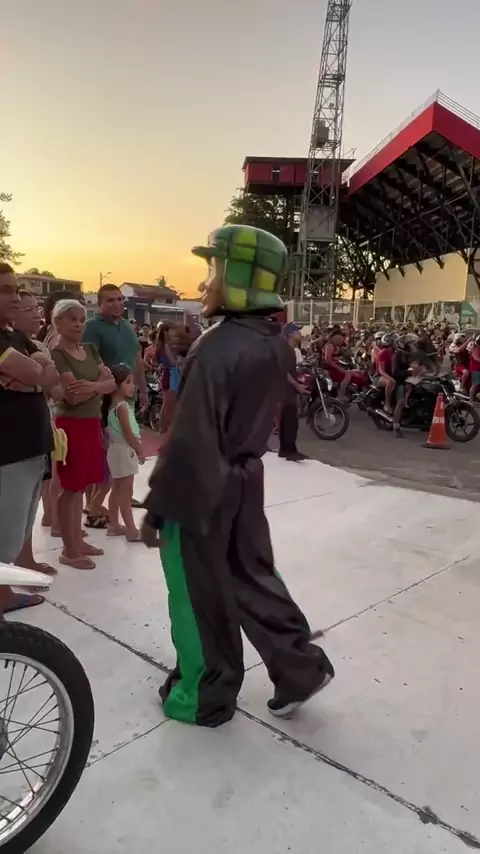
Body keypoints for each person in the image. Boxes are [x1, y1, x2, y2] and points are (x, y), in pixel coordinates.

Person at [141, 224, 334, 727]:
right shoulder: (275, 343)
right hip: (246, 479)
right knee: (253, 576)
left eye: (215, 268)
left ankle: (202, 694)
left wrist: (160, 506)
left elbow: (192, 437)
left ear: (240, 276)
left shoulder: (217, 346)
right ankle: (300, 668)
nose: (206, 281)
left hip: (202, 487)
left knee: (198, 595)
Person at [0, 264, 56, 612]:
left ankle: (4, 597)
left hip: (31, 449)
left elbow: (48, 373)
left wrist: (32, 380)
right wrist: (36, 375)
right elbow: (37, 371)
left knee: (17, 531)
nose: (15, 297)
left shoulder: (15, 337)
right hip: (9, 451)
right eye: (5, 289)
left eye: (15, 288)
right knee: (4, 537)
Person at [51, 300, 115, 570]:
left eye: (81, 319)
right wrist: (98, 385)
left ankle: (77, 540)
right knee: (71, 487)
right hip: (71, 425)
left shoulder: (90, 349)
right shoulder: (57, 354)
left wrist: (91, 386)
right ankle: (69, 549)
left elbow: (112, 382)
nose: (78, 324)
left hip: (91, 423)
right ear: (58, 322)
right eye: (72, 319)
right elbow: (72, 396)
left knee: (83, 486)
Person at [82, 284, 148, 510]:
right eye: (110, 300)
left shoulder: (127, 326)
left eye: (120, 299)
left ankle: (124, 494)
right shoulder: (92, 328)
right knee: (105, 450)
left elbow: (137, 360)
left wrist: (143, 389)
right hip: (105, 400)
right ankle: (93, 504)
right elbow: (88, 362)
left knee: (126, 443)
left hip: (127, 396)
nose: (117, 304)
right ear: (99, 303)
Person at [12, 289, 60, 573]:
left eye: (37, 308)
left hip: (36, 434)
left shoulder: (35, 346)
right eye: (28, 309)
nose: (36, 314)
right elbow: (45, 380)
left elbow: (55, 385)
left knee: (29, 505)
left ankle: (25, 559)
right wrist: (40, 379)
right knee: (12, 510)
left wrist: (34, 382)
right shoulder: (9, 347)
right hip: (13, 441)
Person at [104, 364, 145, 541]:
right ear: (116, 385)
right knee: (126, 493)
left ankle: (114, 525)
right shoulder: (121, 407)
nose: (132, 386)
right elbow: (128, 433)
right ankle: (131, 529)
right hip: (124, 450)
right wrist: (139, 450)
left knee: (116, 489)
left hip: (115, 450)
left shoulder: (113, 407)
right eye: (128, 382)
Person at [279, 323, 309, 462]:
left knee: (286, 420)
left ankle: (284, 450)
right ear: (290, 334)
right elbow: (283, 372)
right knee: (290, 421)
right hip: (287, 390)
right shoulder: (287, 350)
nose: (300, 333)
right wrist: (297, 385)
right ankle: (290, 451)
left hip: (285, 390)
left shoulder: (288, 349)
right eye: (297, 331)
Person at [322, 325, 351, 400]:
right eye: (341, 338)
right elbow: (327, 360)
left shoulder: (335, 346)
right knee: (348, 374)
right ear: (336, 337)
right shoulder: (330, 345)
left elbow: (333, 357)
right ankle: (340, 395)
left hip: (332, 367)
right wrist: (339, 368)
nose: (342, 340)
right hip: (328, 369)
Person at [374, 334, 396, 415]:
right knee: (391, 382)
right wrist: (390, 378)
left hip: (390, 375)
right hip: (379, 377)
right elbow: (381, 370)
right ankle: (387, 405)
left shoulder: (395, 353)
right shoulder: (383, 353)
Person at [469, 334, 480, 402]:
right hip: (476, 369)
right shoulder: (474, 348)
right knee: (474, 385)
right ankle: (471, 401)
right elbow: (476, 358)